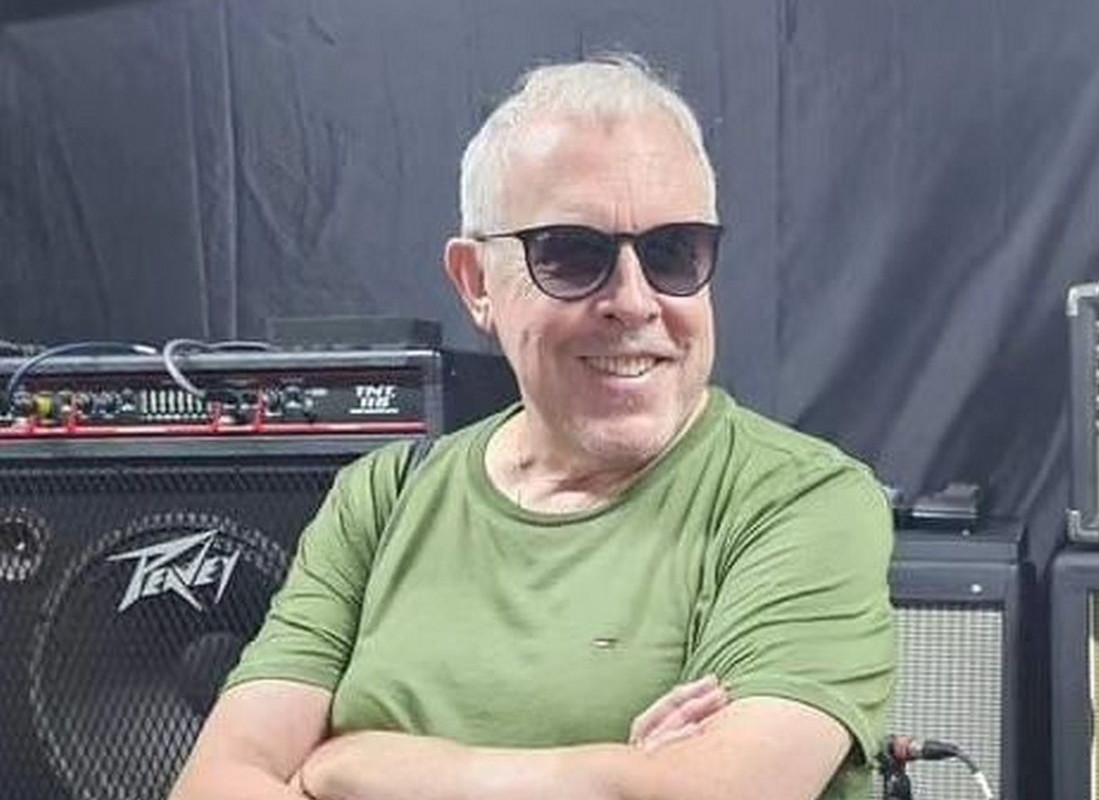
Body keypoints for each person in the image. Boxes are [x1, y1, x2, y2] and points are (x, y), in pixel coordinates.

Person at [169, 53, 895, 800]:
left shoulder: (799, 502)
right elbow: (213, 787)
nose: (634, 301)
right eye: (572, 255)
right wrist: (618, 776)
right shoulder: (383, 499)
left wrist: (352, 769)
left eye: (673, 253)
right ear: (476, 282)